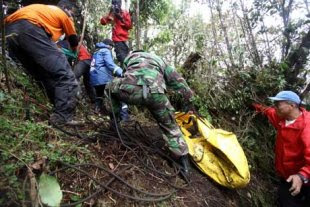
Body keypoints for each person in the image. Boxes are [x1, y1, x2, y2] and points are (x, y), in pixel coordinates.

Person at [105, 51, 195, 174]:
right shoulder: (160, 60)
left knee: (108, 87)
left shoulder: (129, 57)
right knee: (171, 127)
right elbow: (178, 81)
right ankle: (184, 164)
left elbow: (126, 75)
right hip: (156, 94)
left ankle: (114, 121)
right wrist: (189, 99)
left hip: (130, 91)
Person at [5, 2, 80, 125]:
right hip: (30, 28)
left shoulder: (44, 11)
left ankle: (55, 108)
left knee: (43, 74)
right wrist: (74, 51)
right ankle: (62, 117)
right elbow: (73, 39)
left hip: (10, 30)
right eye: (73, 12)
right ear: (67, 9)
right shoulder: (63, 15)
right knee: (65, 75)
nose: (72, 15)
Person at [252, 91, 310, 207]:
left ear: (292, 106)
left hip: (304, 177)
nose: (275, 106)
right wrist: (252, 104)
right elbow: (268, 111)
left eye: (278, 104)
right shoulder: (281, 118)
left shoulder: (307, 126)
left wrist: (302, 176)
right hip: (287, 177)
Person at [89, 39, 129, 121]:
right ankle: (124, 117)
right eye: (112, 46)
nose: (112, 49)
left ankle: (96, 112)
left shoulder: (96, 52)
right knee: (117, 96)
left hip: (95, 78)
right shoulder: (105, 50)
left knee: (99, 95)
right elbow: (110, 64)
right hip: (103, 78)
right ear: (109, 45)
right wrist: (122, 73)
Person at [100, 0, 132, 65]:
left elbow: (129, 26)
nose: (117, 5)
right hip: (118, 40)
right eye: (115, 4)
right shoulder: (112, 14)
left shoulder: (125, 13)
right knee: (122, 59)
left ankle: (127, 72)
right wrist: (110, 12)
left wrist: (120, 18)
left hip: (125, 40)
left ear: (120, 4)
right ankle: (125, 73)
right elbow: (103, 22)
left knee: (127, 58)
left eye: (118, 3)